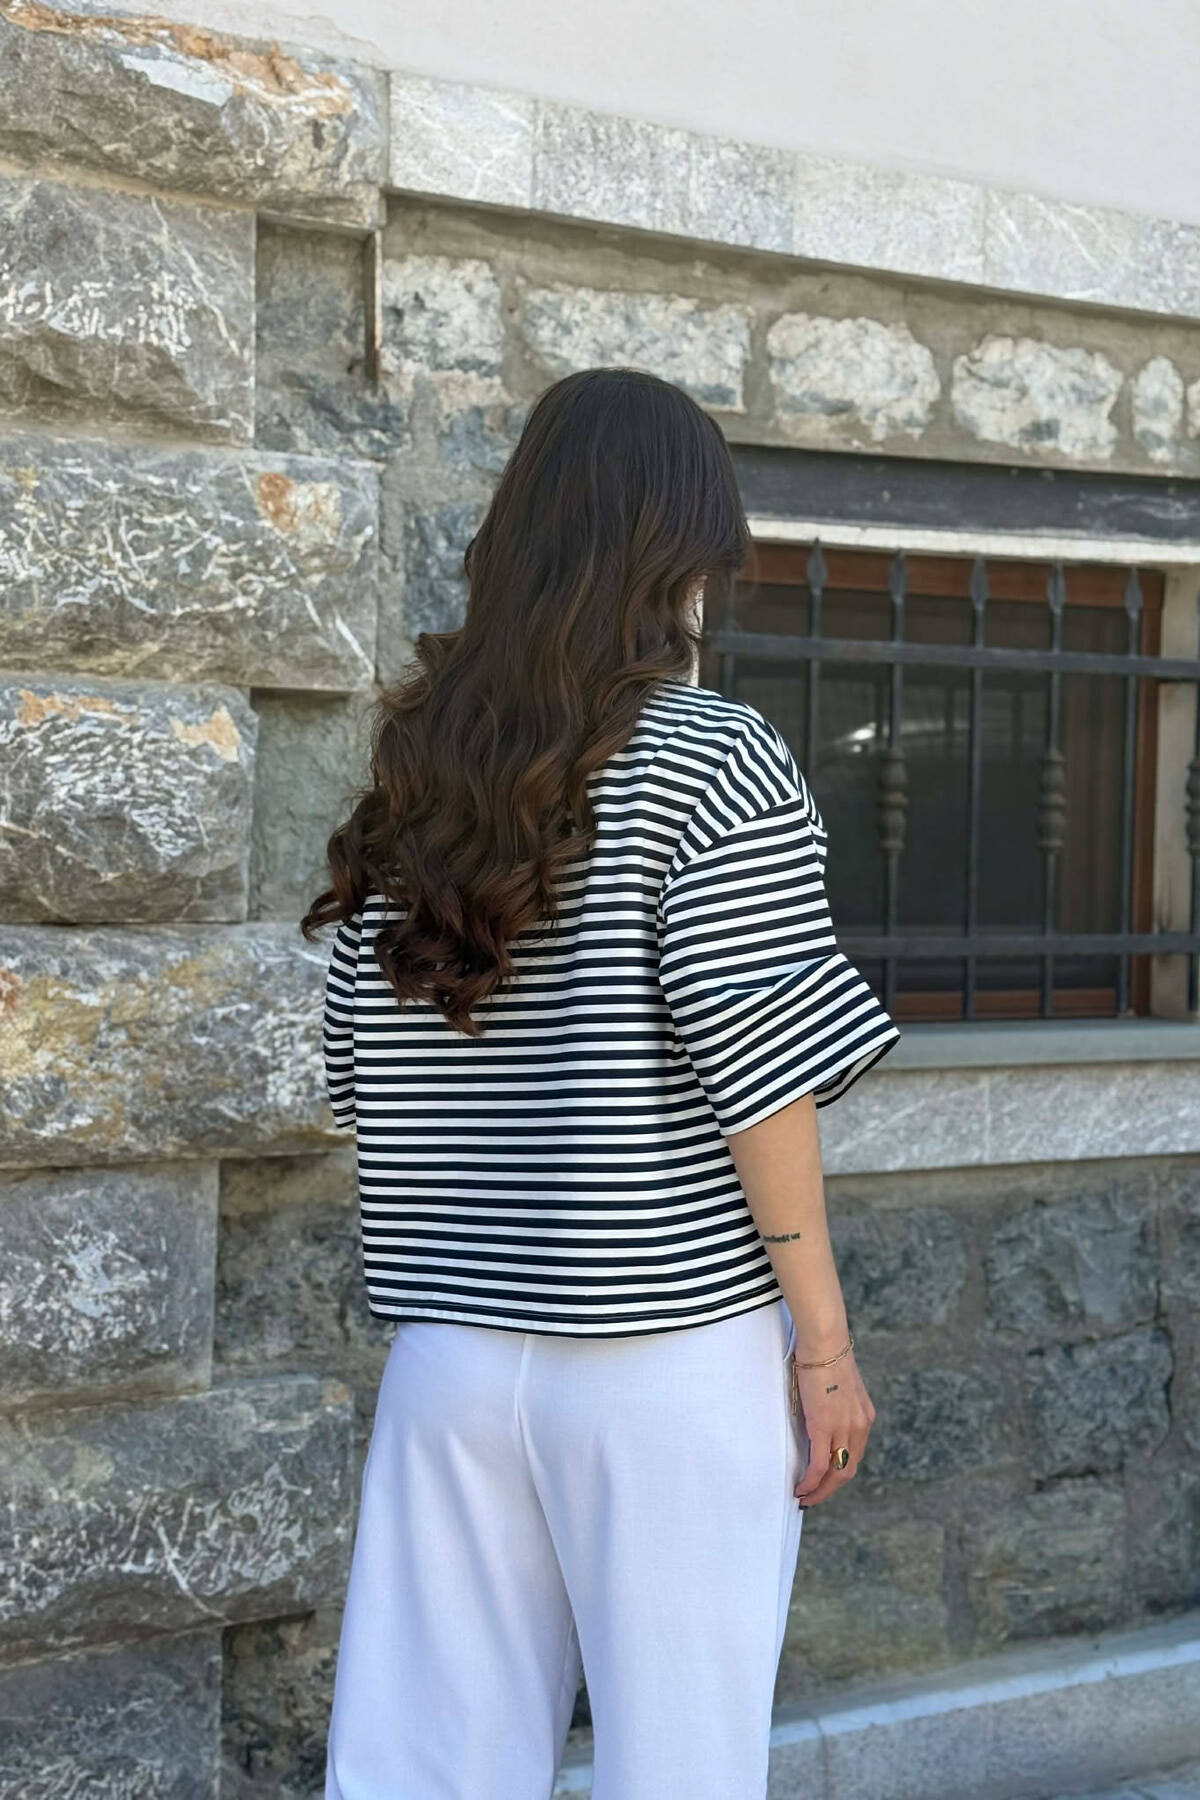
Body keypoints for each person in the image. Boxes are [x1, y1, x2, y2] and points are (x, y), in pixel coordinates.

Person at [302, 366, 902, 1800]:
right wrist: (823, 1347)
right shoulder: (716, 758)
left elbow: (355, 1075)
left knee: (424, 1769)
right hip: (663, 1352)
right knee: (682, 1765)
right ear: (681, 550)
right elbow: (761, 1071)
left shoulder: (422, 775)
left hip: (450, 1356)